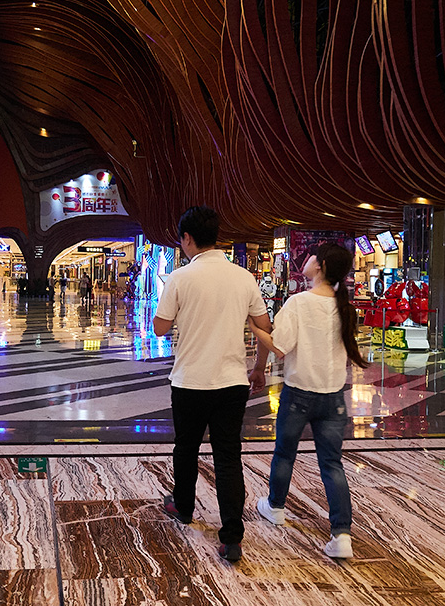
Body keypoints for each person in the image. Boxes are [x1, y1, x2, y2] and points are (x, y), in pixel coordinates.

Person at [153, 206, 272, 563]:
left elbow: (160, 327)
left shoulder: (179, 278)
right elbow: (265, 326)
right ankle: (232, 536)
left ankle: (184, 507)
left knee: (186, 448)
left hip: (190, 381)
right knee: (228, 457)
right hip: (232, 382)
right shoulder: (243, 277)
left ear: (187, 238)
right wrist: (260, 369)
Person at [248, 242, 368, 559]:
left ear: (321, 266)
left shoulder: (299, 303)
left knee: (285, 453)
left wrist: (254, 326)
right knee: (332, 464)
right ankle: (341, 534)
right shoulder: (345, 307)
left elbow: (279, 346)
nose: (307, 259)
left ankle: (275, 506)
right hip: (333, 397)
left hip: (299, 392)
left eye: (312, 256)